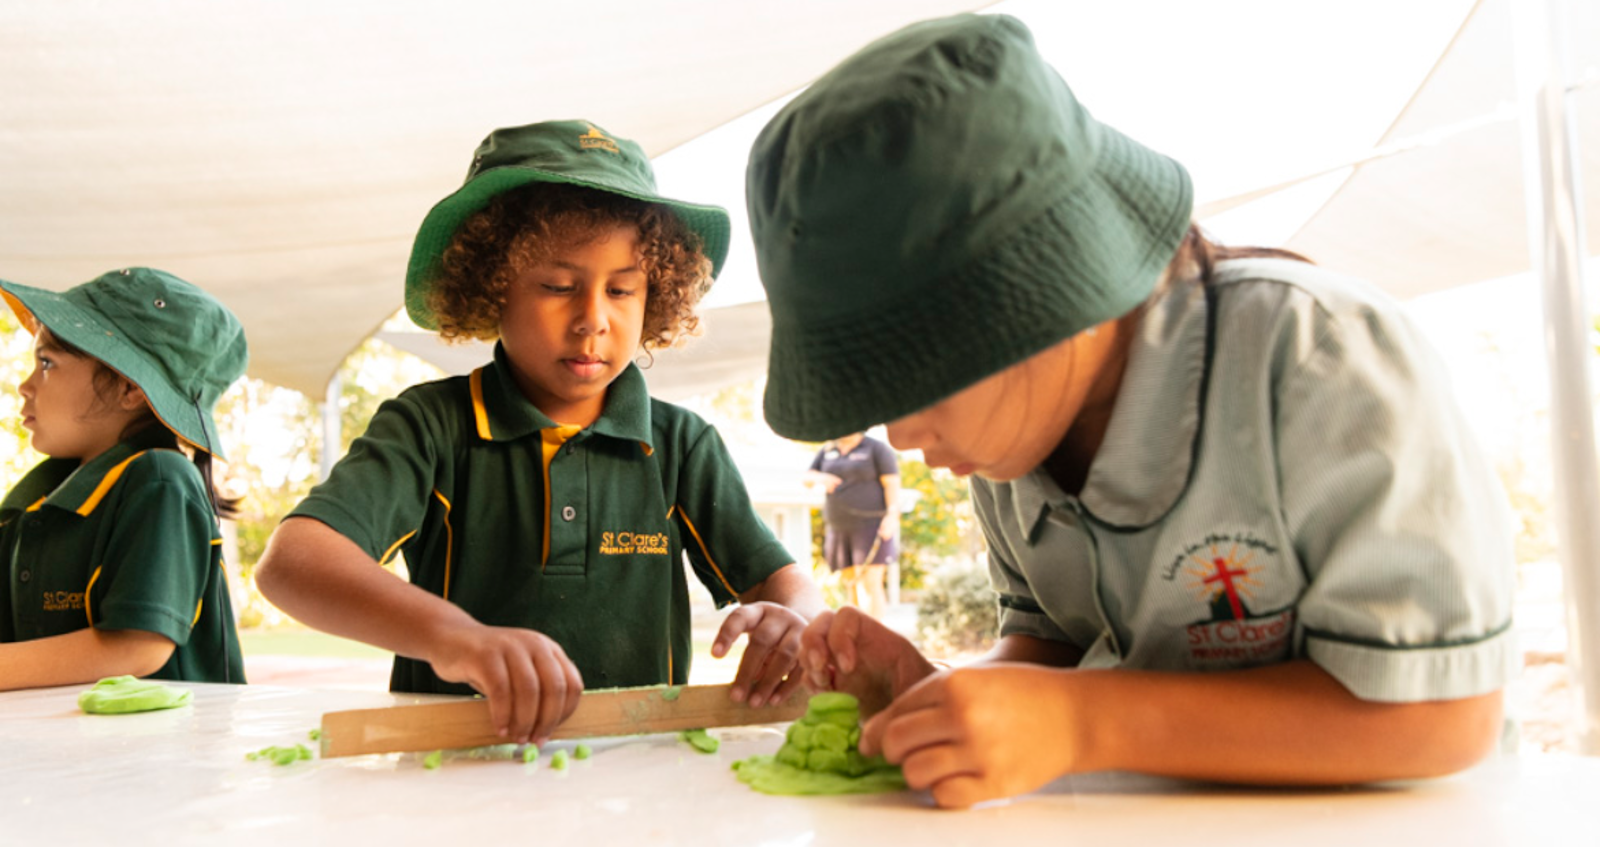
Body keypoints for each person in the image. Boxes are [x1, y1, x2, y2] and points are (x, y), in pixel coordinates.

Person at [745, 14, 1514, 809]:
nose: (904, 437)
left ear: (1049, 290)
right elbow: (1054, 649)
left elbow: (1446, 716)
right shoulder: (1007, 443)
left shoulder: (1320, 354)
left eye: (920, 378)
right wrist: (929, 693)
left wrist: (1083, 721)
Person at [255, 119, 825, 746]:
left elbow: (784, 582)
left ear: (655, 297)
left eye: (623, 290)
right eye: (557, 286)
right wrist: (457, 639)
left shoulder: (681, 444)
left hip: (637, 772)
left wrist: (796, 619)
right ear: (490, 287)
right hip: (458, 772)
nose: (592, 320)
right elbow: (292, 564)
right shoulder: (431, 426)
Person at [0, 267, 249, 689]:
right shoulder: (30, 506)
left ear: (129, 389)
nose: (25, 386)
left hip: (165, 753)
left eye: (47, 363)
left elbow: (138, 647)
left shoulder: (159, 478)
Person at [802, 432, 899, 618]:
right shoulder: (828, 449)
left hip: (871, 525)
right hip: (838, 527)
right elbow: (807, 477)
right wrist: (821, 478)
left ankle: (873, 636)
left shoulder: (875, 448)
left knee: (870, 583)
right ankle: (856, 637)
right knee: (850, 583)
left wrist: (892, 516)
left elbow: (892, 484)